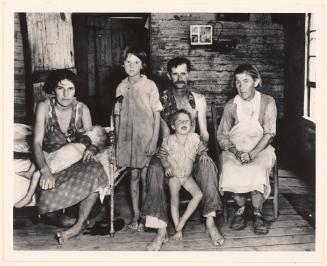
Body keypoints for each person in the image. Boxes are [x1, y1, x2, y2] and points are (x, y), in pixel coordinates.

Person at [142, 57, 224, 251]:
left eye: (183, 73)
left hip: (192, 149)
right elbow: (163, 134)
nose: (180, 77)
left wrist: (203, 151)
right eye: (175, 73)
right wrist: (166, 158)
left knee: (207, 164)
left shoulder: (198, 99)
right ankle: (161, 230)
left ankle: (210, 223)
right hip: (169, 149)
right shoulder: (161, 99)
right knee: (153, 169)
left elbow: (203, 132)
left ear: (189, 74)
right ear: (169, 75)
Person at [32, 69, 108, 244]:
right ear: (53, 89)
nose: (66, 94)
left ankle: (77, 226)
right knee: (46, 209)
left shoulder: (82, 110)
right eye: (61, 88)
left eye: (71, 88)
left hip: (77, 160)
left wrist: (92, 149)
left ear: (76, 90)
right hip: (53, 162)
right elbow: (36, 142)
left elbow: (94, 140)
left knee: (96, 169)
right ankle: (74, 220)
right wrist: (44, 171)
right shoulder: (44, 107)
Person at [217, 63, 277, 234]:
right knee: (229, 167)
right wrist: (236, 152)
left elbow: (269, 133)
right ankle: (241, 209)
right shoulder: (231, 105)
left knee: (257, 168)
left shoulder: (268, 102)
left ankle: (257, 213)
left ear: (256, 82)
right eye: (237, 82)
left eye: (246, 81)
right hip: (236, 149)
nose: (241, 87)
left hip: (260, 148)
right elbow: (222, 135)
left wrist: (252, 154)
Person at [114, 47, 163, 232]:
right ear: (122, 64)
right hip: (128, 138)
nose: (132, 66)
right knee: (133, 175)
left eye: (136, 62)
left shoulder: (149, 86)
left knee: (144, 176)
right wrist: (119, 141)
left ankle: (144, 214)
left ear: (143, 65)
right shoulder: (120, 86)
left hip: (145, 137)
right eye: (128, 62)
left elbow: (157, 115)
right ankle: (135, 213)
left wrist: (153, 140)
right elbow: (117, 115)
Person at [14, 126, 107, 208]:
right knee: (40, 154)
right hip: (59, 154)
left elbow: (76, 141)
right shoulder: (84, 141)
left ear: (95, 139)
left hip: (61, 160)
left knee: (37, 174)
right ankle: (29, 173)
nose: (87, 129)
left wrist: (71, 135)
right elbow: (69, 139)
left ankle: (28, 197)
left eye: (91, 130)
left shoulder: (87, 141)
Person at [159, 109, 208, 240]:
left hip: (187, 178)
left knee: (199, 195)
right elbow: (162, 156)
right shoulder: (169, 140)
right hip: (174, 176)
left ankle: (182, 222)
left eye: (186, 121)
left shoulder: (194, 138)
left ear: (191, 125)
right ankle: (177, 229)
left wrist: (203, 154)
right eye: (179, 121)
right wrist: (167, 166)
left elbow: (203, 149)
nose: (183, 123)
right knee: (174, 200)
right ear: (173, 126)